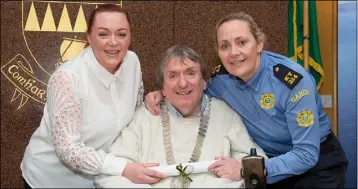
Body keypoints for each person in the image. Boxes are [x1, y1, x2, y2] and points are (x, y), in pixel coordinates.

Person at [144, 12, 348, 188]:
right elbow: (194, 88)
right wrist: (164, 93)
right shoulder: (220, 80)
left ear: (259, 44)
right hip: (267, 161)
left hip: (317, 166)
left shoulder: (292, 83)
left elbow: (305, 154)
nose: (234, 53)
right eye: (225, 46)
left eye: (242, 42)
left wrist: (245, 169)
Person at [20, 4, 158, 188]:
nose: (113, 42)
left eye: (121, 34)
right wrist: (123, 167)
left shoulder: (133, 62)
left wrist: (154, 98)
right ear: (89, 37)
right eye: (103, 34)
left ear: (130, 37)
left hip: (100, 180)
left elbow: (133, 109)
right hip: (49, 180)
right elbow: (68, 149)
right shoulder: (68, 79)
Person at [94, 45, 267, 188]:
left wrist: (240, 171)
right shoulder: (145, 116)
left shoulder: (225, 114)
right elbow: (110, 173)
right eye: (173, 75)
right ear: (162, 87)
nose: (183, 83)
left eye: (191, 73)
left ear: (204, 81)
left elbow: (255, 167)